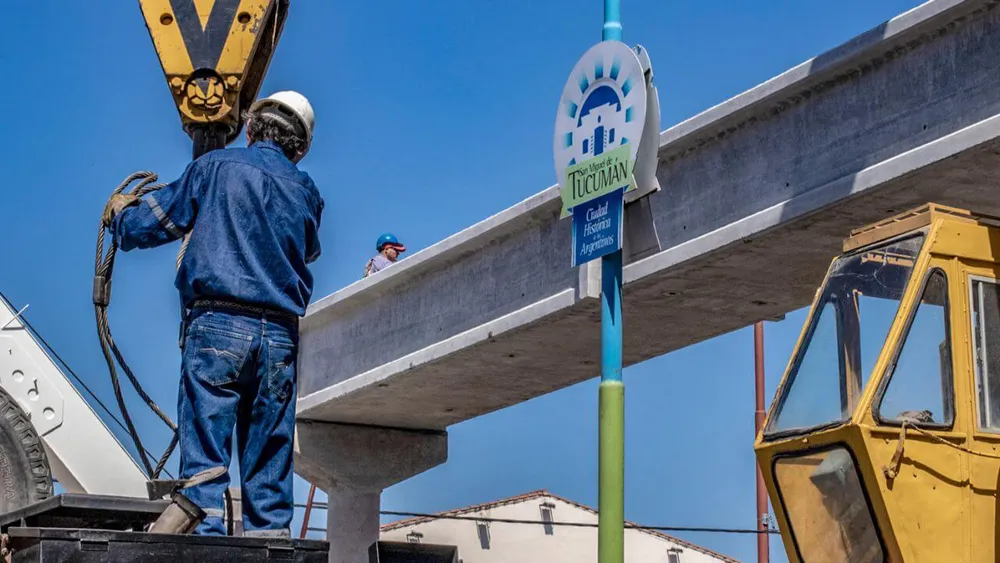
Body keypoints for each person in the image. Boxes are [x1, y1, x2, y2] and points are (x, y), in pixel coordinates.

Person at [102, 91, 324, 538]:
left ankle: (199, 541)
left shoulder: (215, 167)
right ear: (300, 147)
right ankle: (271, 544)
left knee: (204, 468)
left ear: (250, 127)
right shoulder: (306, 191)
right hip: (280, 338)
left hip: (218, 327)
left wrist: (120, 217)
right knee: (268, 468)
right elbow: (308, 250)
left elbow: (154, 222)